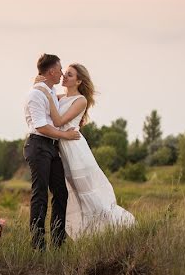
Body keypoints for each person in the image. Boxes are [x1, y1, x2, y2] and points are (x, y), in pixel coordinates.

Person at [35, 63, 135, 239]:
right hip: (62, 150)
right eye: (65, 73)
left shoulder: (80, 100)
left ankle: (120, 226)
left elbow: (58, 121)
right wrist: (38, 85)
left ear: (79, 81)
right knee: (71, 195)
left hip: (75, 150)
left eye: (70, 75)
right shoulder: (59, 97)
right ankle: (89, 236)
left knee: (90, 194)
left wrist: (47, 95)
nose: (64, 76)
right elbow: (43, 100)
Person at [23, 54, 81, 251]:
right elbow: (41, 127)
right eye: (60, 69)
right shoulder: (35, 95)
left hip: (50, 147)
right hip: (38, 145)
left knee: (61, 192)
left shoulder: (50, 90)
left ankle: (58, 243)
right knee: (40, 195)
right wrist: (65, 135)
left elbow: (65, 102)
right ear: (51, 71)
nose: (62, 73)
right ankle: (38, 246)